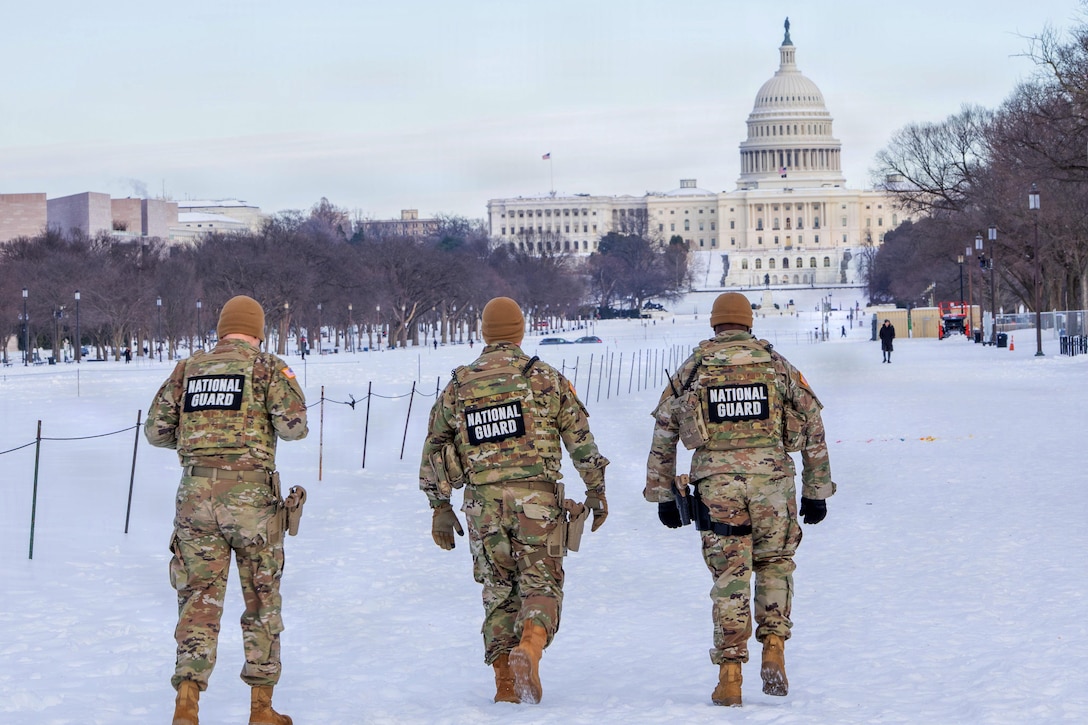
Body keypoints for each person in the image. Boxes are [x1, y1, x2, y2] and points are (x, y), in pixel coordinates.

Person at [644, 292, 834, 707]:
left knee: (729, 576)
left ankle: (730, 675)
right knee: (775, 564)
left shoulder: (694, 369)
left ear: (714, 324)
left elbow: (664, 430)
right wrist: (816, 490)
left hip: (717, 489)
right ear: (749, 323)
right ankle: (773, 648)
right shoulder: (776, 364)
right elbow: (813, 422)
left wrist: (661, 493)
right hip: (772, 485)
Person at [419, 296, 609, 705]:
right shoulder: (545, 377)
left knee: (497, 590)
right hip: (537, 502)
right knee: (541, 584)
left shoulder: (459, 384)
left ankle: (505, 682)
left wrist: (439, 506)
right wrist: (596, 489)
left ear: (484, 333)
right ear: (521, 331)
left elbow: (434, 448)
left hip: (482, 505)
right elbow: (580, 442)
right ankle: (531, 645)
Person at [145, 295, 308, 725]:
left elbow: (156, 431)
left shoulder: (189, 368)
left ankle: (187, 702)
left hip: (195, 498)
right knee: (261, 601)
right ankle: (261, 709)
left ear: (221, 329)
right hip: (251, 500)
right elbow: (295, 428)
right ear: (259, 332)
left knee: (198, 600)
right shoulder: (268, 367)